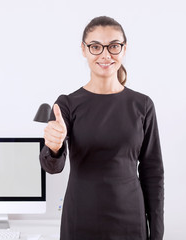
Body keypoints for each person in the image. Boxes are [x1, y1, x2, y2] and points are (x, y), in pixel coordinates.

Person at [39, 16, 164, 240]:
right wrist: (54, 147)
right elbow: (52, 167)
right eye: (96, 47)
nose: (105, 55)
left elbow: (153, 173)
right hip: (80, 218)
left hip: (130, 221)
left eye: (114, 46)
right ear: (84, 50)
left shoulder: (143, 105)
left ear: (124, 49)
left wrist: (156, 233)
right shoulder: (67, 104)